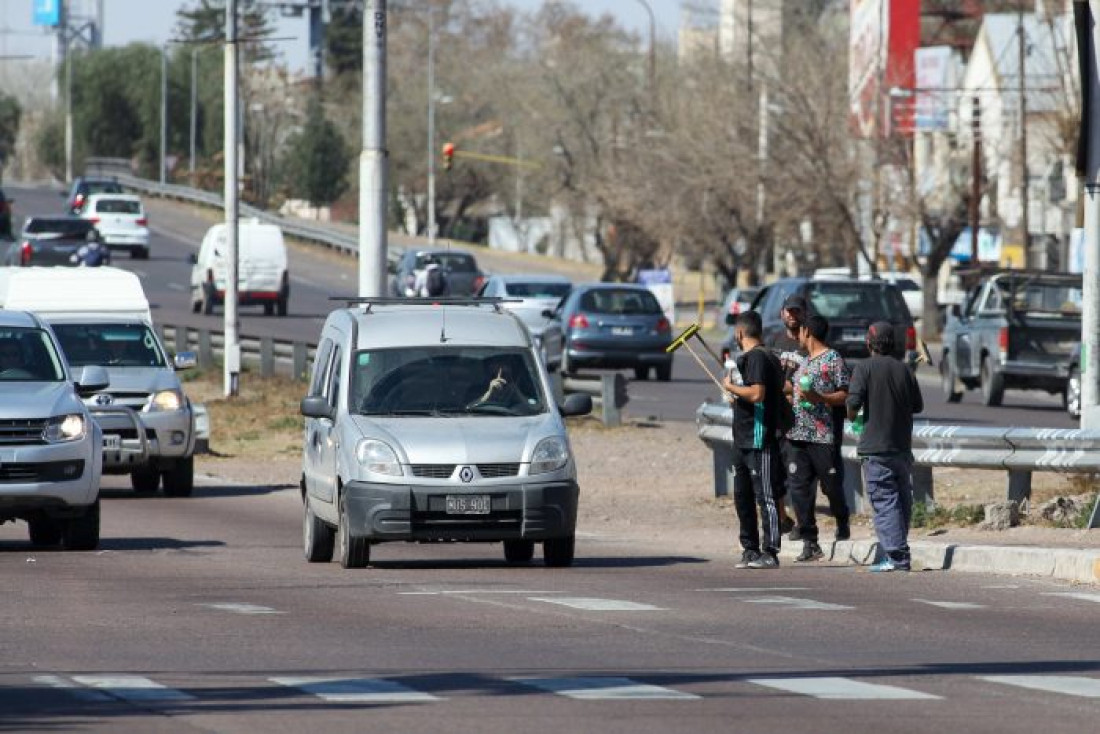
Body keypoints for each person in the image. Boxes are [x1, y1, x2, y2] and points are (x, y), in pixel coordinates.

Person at [846, 321, 924, 573]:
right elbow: (917, 406)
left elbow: (853, 405)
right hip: (901, 447)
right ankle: (899, 549)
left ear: (868, 343)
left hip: (875, 448)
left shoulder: (863, 368)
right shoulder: (904, 370)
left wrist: (852, 414)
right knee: (901, 501)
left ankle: (897, 556)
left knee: (885, 501)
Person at [722, 311, 786, 570]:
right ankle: (749, 549)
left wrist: (731, 388)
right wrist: (736, 394)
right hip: (742, 439)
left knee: (765, 496)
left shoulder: (759, 357)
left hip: (760, 438)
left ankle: (770, 551)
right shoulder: (747, 359)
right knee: (742, 496)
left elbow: (758, 394)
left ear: (740, 333)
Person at [786, 313, 851, 562]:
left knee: (831, 486)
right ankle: (810, 542)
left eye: (800, 332)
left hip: (823, 435)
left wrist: (821, 398)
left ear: (807, 333)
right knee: (799, 488)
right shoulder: (803, 362)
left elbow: (845, 394)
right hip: (798, 434)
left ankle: (842, 518)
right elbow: (797, 394)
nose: (797, 337)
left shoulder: (833, 359)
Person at [766, 294, 809, 538]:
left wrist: (790, 390)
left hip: (799, 419)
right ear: (782, 313)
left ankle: (804, 525)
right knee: (773, 475)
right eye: (788, 311)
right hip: (775, 417)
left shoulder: (809, 342)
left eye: (796, 311)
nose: (792, 315)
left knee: (797, 475)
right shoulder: (774, 340)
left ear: (804, 313)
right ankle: (783, 520)